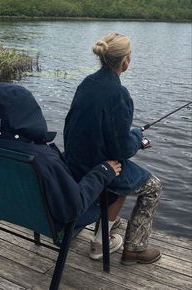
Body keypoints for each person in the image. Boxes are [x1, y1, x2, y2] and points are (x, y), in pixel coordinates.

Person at [0, 83, 123, 252]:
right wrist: (102, 172)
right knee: (116, 190)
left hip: (7, 208)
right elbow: (74, 206)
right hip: (55, 222)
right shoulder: (41, 158)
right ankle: (102, 242)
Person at [64, 33, 162, 265]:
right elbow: (121, 149)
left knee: (121, 176)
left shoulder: (87, 83)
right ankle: (134, 250)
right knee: (153, 187)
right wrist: (137, 137)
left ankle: (103, 234)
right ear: (125, 60)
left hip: (74, 164)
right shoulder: (119, 94)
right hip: (100, 169)